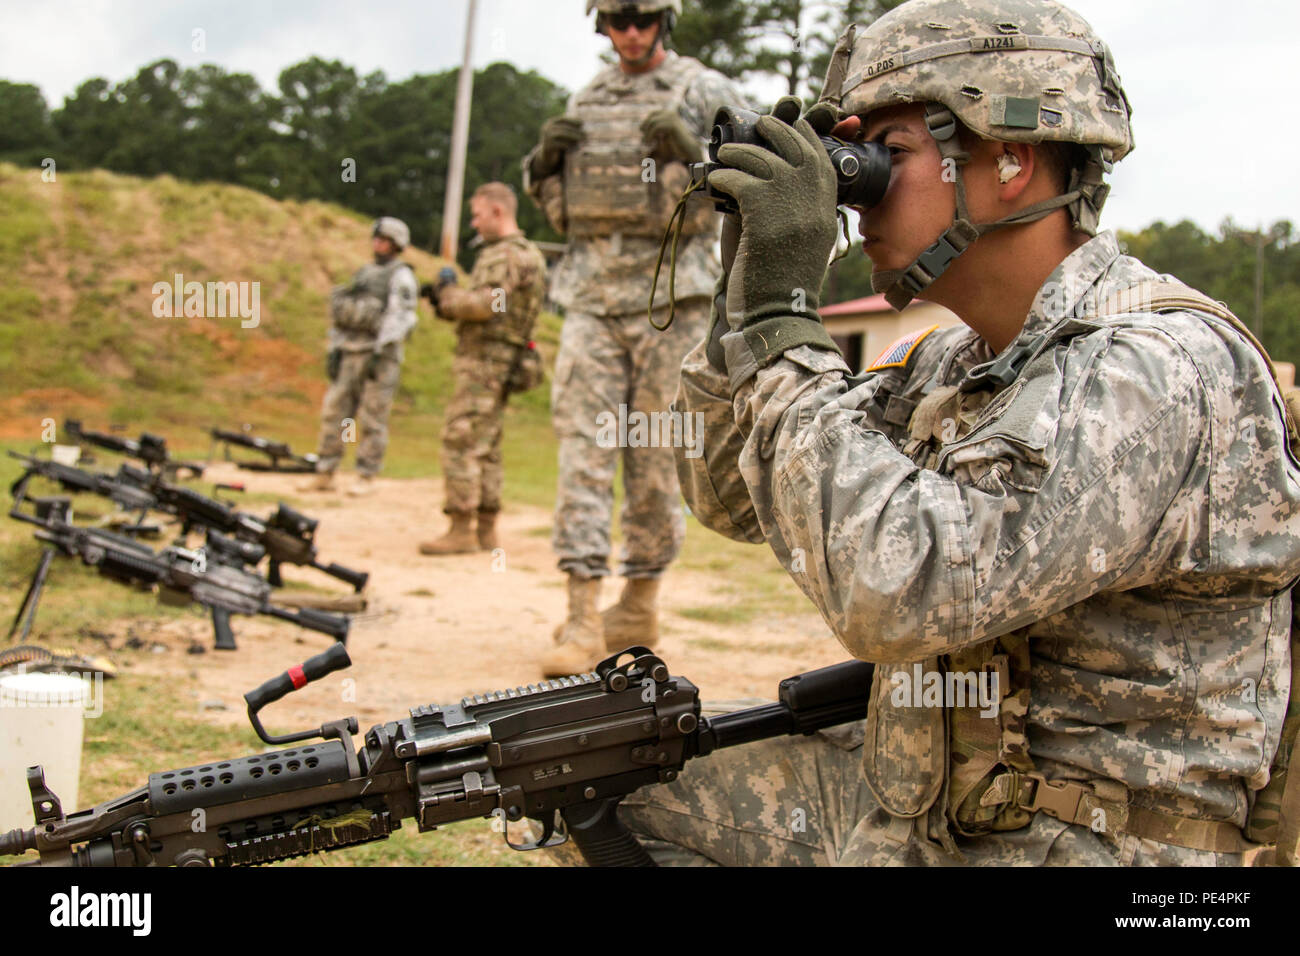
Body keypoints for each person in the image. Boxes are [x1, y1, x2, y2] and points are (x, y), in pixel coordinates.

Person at [589, 0, 1300, 866]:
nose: (854, 194)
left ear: (1009, 159)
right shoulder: (954, 361)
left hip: (1091, 847)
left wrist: (785, 319)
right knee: (606, 789)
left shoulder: (1157, 368)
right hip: (936, 813)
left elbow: (898, 591)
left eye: (884, 158)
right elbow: (729, 497)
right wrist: (747, 301)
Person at [522, 0, 744, 676]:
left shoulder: (703, 88)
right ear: (601, 26)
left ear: (664, 22)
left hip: (668, 295)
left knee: (653, 455)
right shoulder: (587, 98)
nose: (631, 31)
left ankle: (639, 602)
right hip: (591, 292)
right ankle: (581, 614)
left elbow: (757, 177)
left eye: (642, 18)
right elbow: (561, 210)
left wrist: (699, 154)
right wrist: (543, 166)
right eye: (617, 19)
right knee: (583, 450)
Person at [420, 183, 549, 555]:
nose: (473, 223)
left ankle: (461, 528)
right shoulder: (529, 254)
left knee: (461, 437)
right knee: (487, 444)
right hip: (507, 359)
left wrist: (447, 298)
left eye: (476, 214)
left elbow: (486, 304)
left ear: (497, 212)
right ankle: (485, 530)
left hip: (485, 361)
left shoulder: (503, 254)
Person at [301, 217, 419, 496]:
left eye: (385, 240)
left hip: (379, 357)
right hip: (351, 351)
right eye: (376, 239)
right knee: (339, 413)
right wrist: (335, 348)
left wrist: (381, 352)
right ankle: (327, 469)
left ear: (397, 244)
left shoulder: (401, 276)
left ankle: (366, 474)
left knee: (372, 416)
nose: (377, 244)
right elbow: (345, 313)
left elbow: (400, 317)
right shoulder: (365, 273)